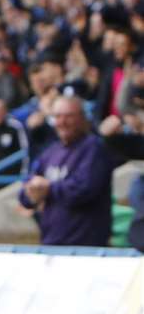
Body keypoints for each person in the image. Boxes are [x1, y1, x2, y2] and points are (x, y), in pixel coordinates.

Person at [17, 96, 130, 247]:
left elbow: (84, 189)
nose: (62, 122)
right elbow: (26, 193)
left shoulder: (94, 148)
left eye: (69, 116)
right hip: (52, 245)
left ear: (82, 118)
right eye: (57, 116)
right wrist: (31, 192)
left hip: (87, 247)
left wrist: (48, 189)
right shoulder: (50, 152)